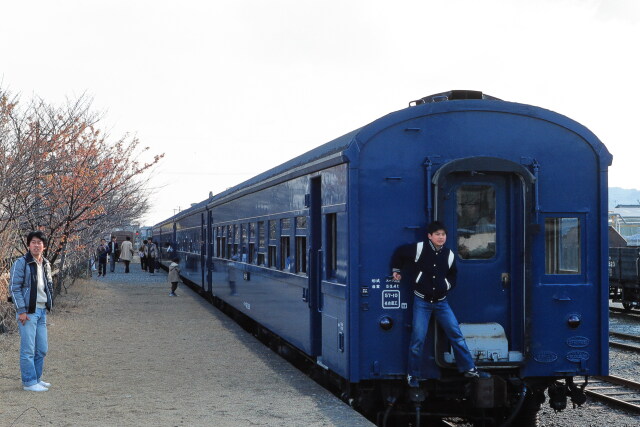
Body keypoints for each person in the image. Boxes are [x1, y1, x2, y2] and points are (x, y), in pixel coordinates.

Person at [390, 221, 489, 388]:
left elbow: (453, 275)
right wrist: (396, 270)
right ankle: (412, 375)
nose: (441, 237)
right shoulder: (419, 249)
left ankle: (470, 369)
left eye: (443, 234)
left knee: (456, 335)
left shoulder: (449, 254)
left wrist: (446, 285)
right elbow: (399, 253)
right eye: (437, 234)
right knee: (418, 339)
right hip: (422, 301)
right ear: (430, 236)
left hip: (442, 302)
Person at [9, 231, 54, 392]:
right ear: (29, 245)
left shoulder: (46, 263)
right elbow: (14, 288)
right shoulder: (21, 263)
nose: (36, 245)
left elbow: (48, 286)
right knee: (28, 349)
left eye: (39, 242)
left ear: (44, 246)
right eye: (33, 242)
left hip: (42, 311)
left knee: (42, 348)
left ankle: (37, 378)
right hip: (28, 312)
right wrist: (21, 310)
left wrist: (50, 303)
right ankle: (29, 382)